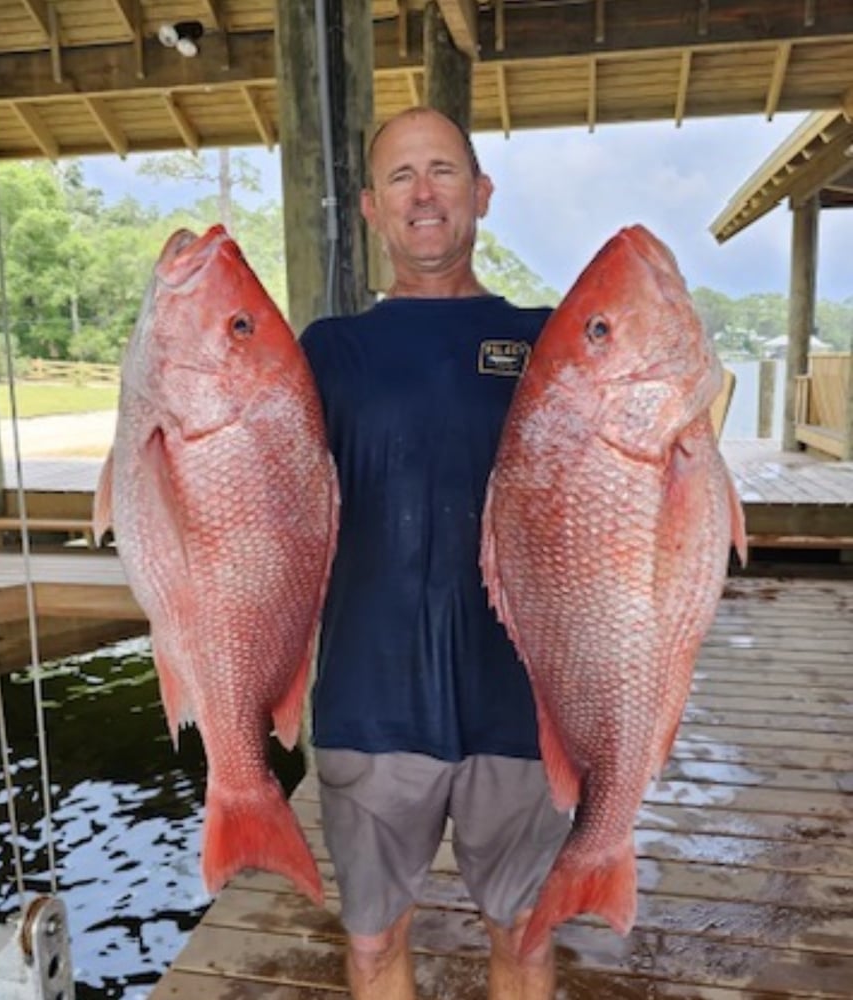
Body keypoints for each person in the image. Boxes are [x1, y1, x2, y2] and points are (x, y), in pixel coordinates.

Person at [300, 106, 571, 1000]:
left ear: (481, 194)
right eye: (402, 177)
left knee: (525, 944)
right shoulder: (330, 351)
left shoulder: (550, 341)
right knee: (376, 948)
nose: (424, 192)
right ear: (372, 207)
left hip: (526, 706)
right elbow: (244, 483)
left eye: (444, 170)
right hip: (369, 706)